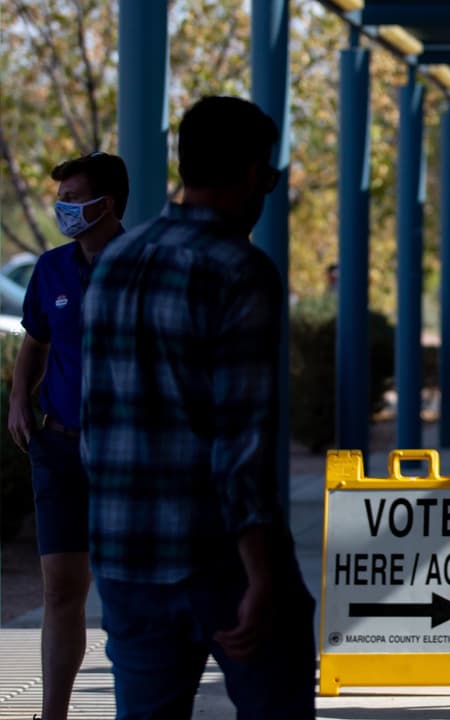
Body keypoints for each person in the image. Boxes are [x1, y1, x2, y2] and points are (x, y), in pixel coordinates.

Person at [80, 96, 315, 718]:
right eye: (268, 175)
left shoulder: (112, 265)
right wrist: (262, 572)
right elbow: (240, 442)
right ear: (247, 174)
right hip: (218, 560)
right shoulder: (239, 270)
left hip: (125, 554)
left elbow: (97, 421)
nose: (268, 188)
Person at [6, 151, 127, 720]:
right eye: (63, 198)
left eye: (75, 198)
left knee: (128, 590)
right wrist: (17, 402)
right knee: (61, 588)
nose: (65, 208)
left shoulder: (141, 264)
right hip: (57, 446)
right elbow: (35, 341)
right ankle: (54, 714)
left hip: (126, 454)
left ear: (109, 204)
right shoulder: (51, 269)